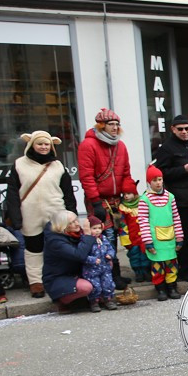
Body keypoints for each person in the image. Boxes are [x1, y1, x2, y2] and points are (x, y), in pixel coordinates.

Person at [4, 130, 76, 298]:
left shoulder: (58, 166)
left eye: (46, 144)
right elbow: (12, 193)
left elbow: (68, 192)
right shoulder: (19, 164)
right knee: (33, 248)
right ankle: (36, 282)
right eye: (40, 144)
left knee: (60, 245)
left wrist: (71, 213)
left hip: (56, 211)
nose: (43, 147)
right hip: (30, 213)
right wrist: (16, 218)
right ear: (31, 145)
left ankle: (62, 277)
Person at [77, 107, 135, 290]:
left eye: (117, 124)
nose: (115, 128)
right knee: (105, 237)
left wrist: (128, 192)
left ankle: (115, 274)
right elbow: (86, 176)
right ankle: (109, 275)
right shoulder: (88, 145)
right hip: (99, 200)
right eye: (111, 124)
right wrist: (95, 201)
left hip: (117, 200)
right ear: (101, 126)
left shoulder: (121, 146)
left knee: (118, 236)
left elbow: (126, 172)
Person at [153, 114, 188, 279]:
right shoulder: (166, 148)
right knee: (184, 237)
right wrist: (182, 169)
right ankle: (185, 270)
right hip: (179, 200)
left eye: (187, 128)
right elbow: (161, 174)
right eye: (180, 129)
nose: (184, 132)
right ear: (173, 129)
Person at [137, 165, 184, 302]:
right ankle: (160, 288)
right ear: (149, 182)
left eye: (160, 179)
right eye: (155, 180)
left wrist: (179, 236)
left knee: (171, 264)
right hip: (155, 239)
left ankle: (171, 286)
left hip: (170, 238)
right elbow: (143, 221)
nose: (158, 183)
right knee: (157, 266)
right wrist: (148, 241)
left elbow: (176, 217)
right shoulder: (144, 200)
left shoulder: (170, 197)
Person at [42, 211, 98, 314]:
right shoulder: (55, 241)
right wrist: (88, 236)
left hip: (76, 273)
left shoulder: (75, 233)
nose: (77, 224)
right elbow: (79, 255)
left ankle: (86, 300)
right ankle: (62, 301)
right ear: (63, 226)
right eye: (72, 222)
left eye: (76, 220)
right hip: (58, 278)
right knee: (86, 287)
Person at [117, 180, 151, 282]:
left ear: (134, 193)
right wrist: (126, 240)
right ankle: (138, 272)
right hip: (132, 238)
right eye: (124, 194)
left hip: (144, 236)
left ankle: (146, 271)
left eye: (129, 193)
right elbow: (122, 225)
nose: (126, 196)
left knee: (145, 253)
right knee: (134, 255)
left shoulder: (142, 203)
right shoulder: (123, 208)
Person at [82, 216, 118, 311]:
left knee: (108, 283)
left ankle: (108, 299)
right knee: (95, 285)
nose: (97, 231)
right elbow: (82, 255)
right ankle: (94, 302)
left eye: (99, 228)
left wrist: (110, 254)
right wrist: (92, 260)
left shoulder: (104, 239)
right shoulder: (85, 240)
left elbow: (110, 248)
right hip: (91, 269)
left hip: (105, 267)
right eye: (94, 228)